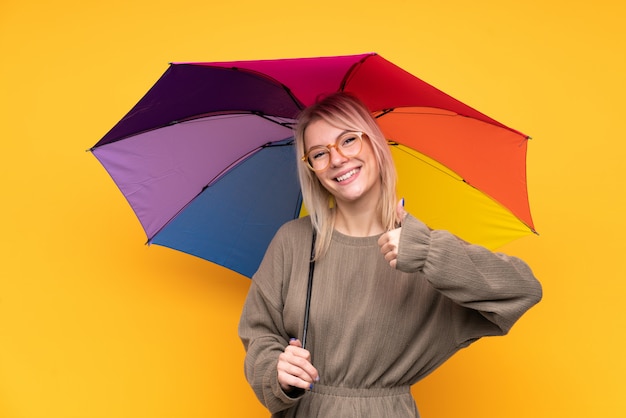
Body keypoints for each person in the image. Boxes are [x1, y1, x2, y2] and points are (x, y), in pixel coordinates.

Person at [238, 92, 542, 417]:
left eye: (348, 140)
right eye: (319, 154)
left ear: (375, 143)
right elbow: (259, 334)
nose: (337, 158)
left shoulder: (420, 247)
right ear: (312, 169)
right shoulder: (293, 241)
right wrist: (278, 372)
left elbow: (522, 290)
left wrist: (426, 252)